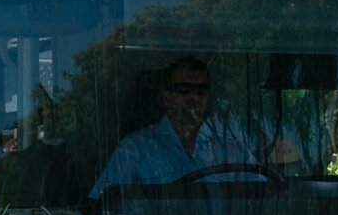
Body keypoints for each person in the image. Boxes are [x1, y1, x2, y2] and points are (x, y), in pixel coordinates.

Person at [89, 56, 261, 198]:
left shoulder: (233, 153)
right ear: (167, 98)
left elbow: (267, 200)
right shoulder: (135, 149)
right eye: (184, 91)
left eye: (201, 91)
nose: (194, 98)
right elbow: (103, 208)